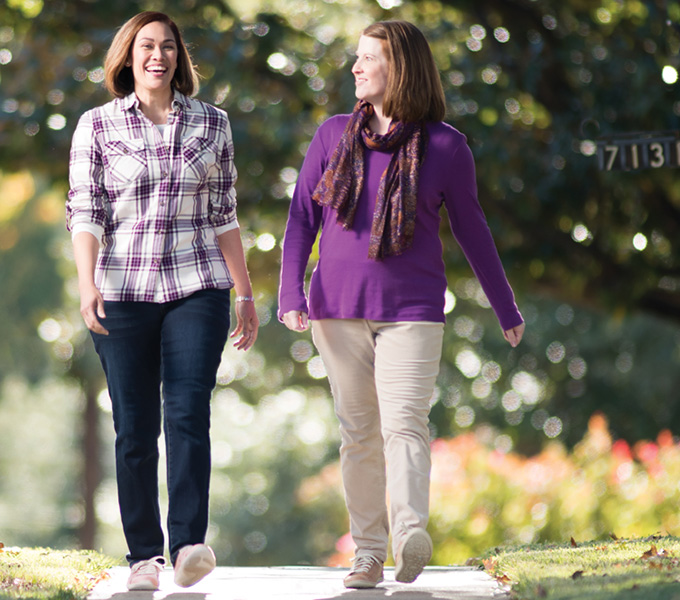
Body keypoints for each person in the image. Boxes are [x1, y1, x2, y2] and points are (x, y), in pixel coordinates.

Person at [278, 20, 525, 590]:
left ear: (400, 69)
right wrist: (289, 293)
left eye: (368, 59)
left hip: (411, 311)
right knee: (358, 432)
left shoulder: (445, 146)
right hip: (335, 311)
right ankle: (367, 553)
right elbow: (301, 220)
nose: (356, 68)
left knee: (405, 425)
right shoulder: (332, 135)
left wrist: (505, 306)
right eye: (357, 57)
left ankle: (410, 534)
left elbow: (473, 230)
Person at [66, 11, 258, 592]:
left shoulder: (212, 124)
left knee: (187, 413)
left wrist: (244, 290)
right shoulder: (97, 127)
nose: (158, 56)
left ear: (179, 57)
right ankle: (143, 557)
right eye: (146, 46)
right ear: (128, 57)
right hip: (122, 291)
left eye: (167, 46)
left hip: (197, 286)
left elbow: (224, 213)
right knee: (134, 426)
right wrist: (87, 281)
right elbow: (85, 210)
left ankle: (188, 548)